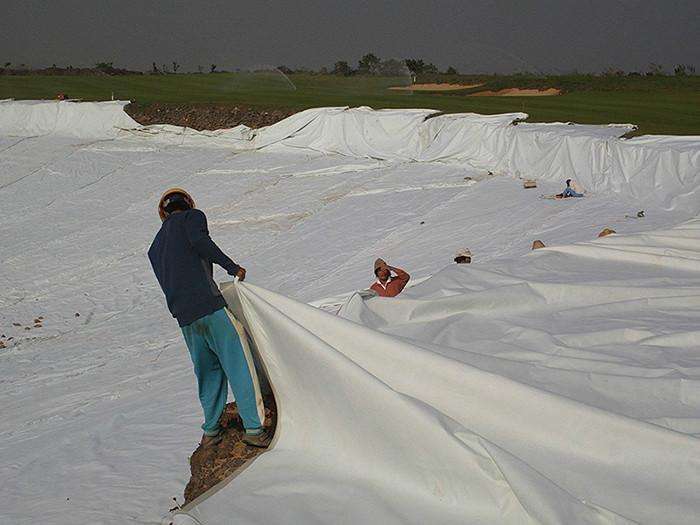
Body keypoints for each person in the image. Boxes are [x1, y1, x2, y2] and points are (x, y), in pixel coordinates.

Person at [148, 188, 270, 448]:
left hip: (185, 318)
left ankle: (212, 430)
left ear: (163, 213)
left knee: (208, 371)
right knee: (238, 362)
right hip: (209, 305)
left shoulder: (155, 247)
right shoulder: (192, 218)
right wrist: (232, 267)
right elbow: (201, 243)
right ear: (189, 204)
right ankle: (254, 428)